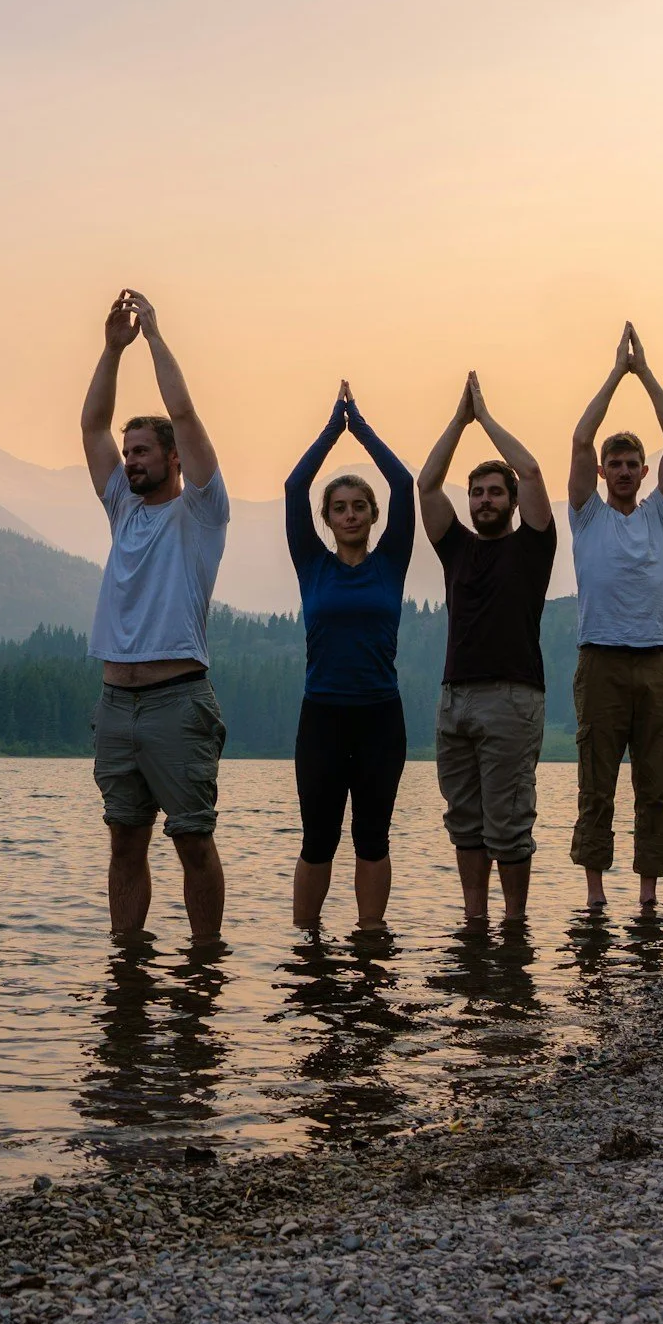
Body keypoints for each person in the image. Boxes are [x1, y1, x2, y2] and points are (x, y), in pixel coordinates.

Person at [78, 289, 231, 942]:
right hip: (117, 702)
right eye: (128, 450)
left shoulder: (200, 511)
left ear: (174, 459)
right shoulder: (123, 508)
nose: (130, 458)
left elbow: (185, 410)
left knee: (192, 841)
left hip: (177, 701)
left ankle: (203, 963)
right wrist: (111, 350)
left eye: (142, 450)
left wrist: (156, 337)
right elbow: (90, 426)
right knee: (123, 842)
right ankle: (127, 965)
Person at [415, 372, 557, 924]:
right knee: (465, 818)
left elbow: (533, 471)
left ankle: (515, 921)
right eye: (477, 492)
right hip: (455, 698)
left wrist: (487, 419)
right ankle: (475, 919)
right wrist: (458, 421)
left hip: (512, 697)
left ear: (513, 499)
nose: (485, 499)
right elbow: (426, 486)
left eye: (496, 491)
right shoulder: (455, 547)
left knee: (509, 819)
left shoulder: (533, 545)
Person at [564, 322, 663, 912]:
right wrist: (616, 372)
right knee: (597, 784)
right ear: (602, 472)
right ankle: (594, 893)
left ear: (644, 472)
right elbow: (580, 438)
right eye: (613, 462)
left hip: (657, 662)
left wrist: (645, 372)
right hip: (601, 662)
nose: (620, 468)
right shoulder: (587, 515)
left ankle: (646, 895)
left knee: (655, 784)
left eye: (630, 462)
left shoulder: (661, 516)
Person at [283, 379, 416, 932]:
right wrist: (330, 431)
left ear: (374, 515)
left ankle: (369, 938)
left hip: (380, 716)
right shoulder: (313, 564)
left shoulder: (391, 562)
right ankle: (305, 942)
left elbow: (404, 483)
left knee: (372, 835)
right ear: (327, 518)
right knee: (318, 837)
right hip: (323, 716)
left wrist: (360, 429)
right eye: (340, 508)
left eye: (360, 506)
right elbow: (294, 488)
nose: (351, 515)